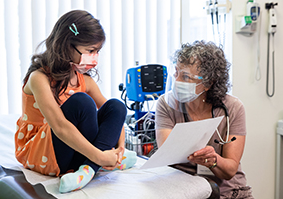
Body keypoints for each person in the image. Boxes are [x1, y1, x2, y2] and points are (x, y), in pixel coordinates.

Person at [15, 10, 137, 193]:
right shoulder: (38, 78)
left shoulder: (85, 80)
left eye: (97, 51)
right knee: (82, 102)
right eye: (90, 51)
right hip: (45, 152)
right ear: (67, 46)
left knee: (116, 106)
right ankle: (97, 163)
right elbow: (60, 126)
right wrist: (102, 157)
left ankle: (88, 169)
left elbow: (115, 116)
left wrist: (120, 148)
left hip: (79, 151)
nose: (95, 58)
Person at [155, 40, 254, 198]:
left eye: (186, 77)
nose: (177, 81)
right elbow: (167, 153)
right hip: (185, 191)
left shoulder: (233, 108)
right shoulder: (166, 105)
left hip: (228, 192)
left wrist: (213, 160)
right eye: (176, 73)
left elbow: (229, 170)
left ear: (208, 83)